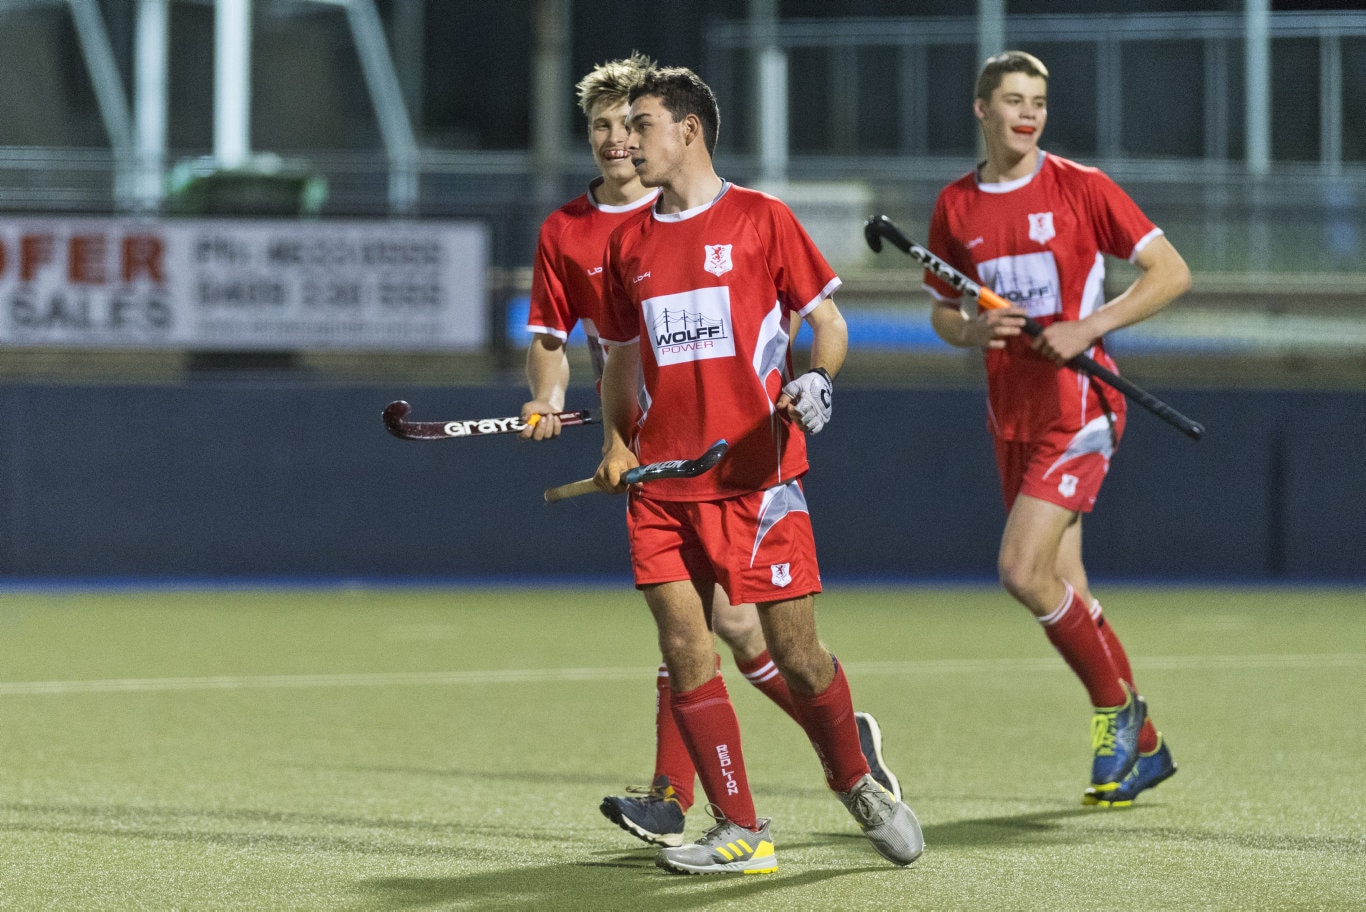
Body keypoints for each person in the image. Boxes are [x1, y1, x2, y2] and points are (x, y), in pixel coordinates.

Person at [520, 53, 903, 852]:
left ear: (687, 133)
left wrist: (820, 382)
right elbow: (621, 358)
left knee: (797, 655)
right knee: (686, 648)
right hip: (663, 486)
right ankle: (740, 828)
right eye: (614, 126)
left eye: (641, 125)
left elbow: (827, 325)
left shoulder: (764, 218)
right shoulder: (627, 247)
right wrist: (619, 442)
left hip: (758, 479)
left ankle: (854, 781)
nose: (625, 140)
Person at [924, 50, 1188, 806]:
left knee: (1022, 572)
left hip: (1081, 405)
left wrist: (1087, 327)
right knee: (1065, 585)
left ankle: (1114, 713)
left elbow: (1171, 272)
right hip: (1011, 411)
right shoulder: (956, 205)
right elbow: (944, 309)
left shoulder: (1082, 188)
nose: (1028, 112)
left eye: (1038, 99)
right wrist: (973, 333)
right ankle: (1146, 746)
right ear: (983, 110)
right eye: (1012, 99)